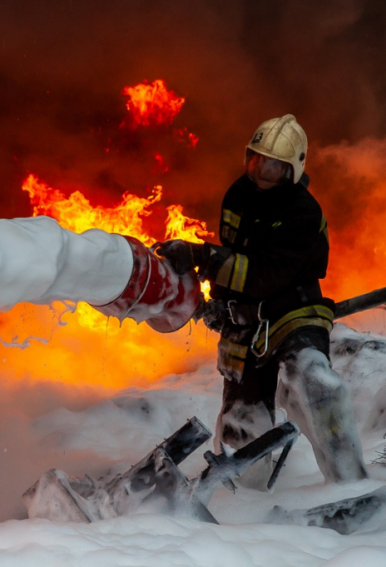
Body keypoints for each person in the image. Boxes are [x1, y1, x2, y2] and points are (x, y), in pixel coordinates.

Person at [155, 115, 367, 485]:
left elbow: (262, 274)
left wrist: (203, 257)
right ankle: (249, 506)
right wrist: (220, 303)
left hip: (294, 312)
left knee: (316, 385)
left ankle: (352, 485)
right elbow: (235, 253)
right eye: (256, 160)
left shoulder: (302, 210)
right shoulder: (238, 194)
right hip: (246, 322)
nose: (261, 172)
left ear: (293, 168)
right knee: (241, 421)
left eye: (273, 166)